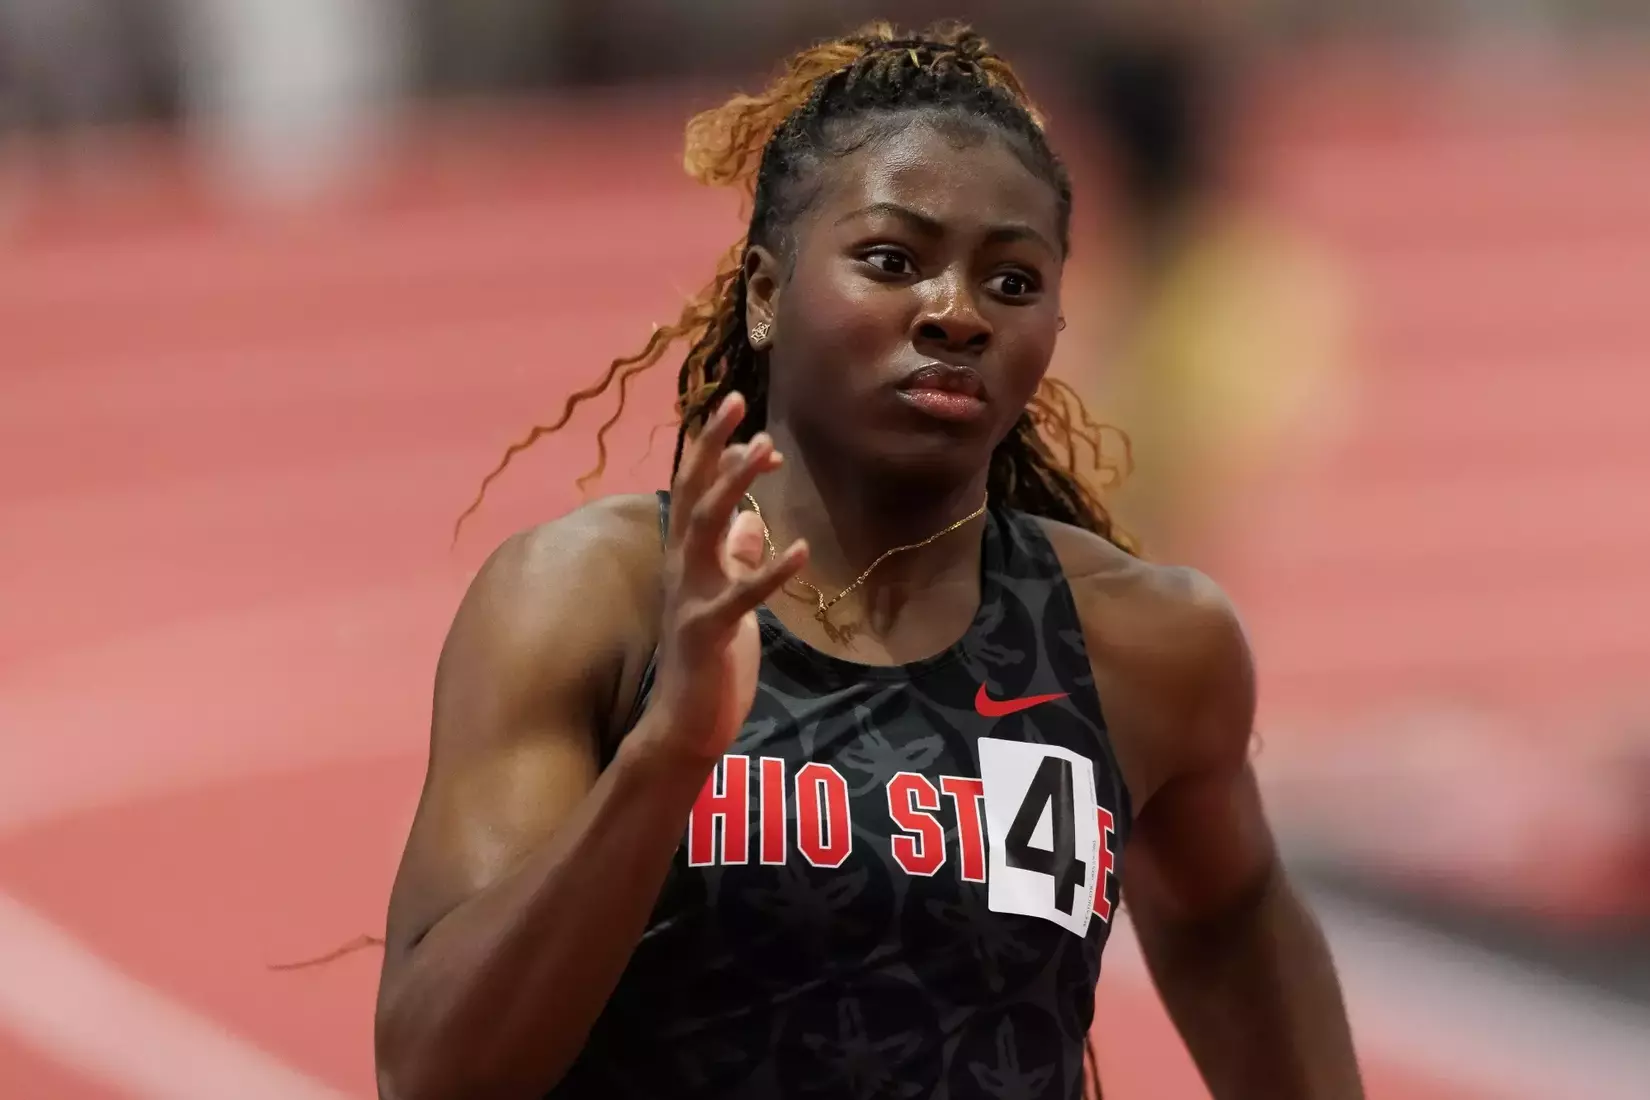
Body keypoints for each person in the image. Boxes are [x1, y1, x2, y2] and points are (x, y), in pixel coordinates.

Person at [374, 22, 1364, 1100]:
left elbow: (1228, 919)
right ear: (764, 289)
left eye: (1013, 280)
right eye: (894, 260)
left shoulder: (1145, 645)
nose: (955, 312)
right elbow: (434, 1073)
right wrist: (668, 752)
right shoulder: (589, 599)